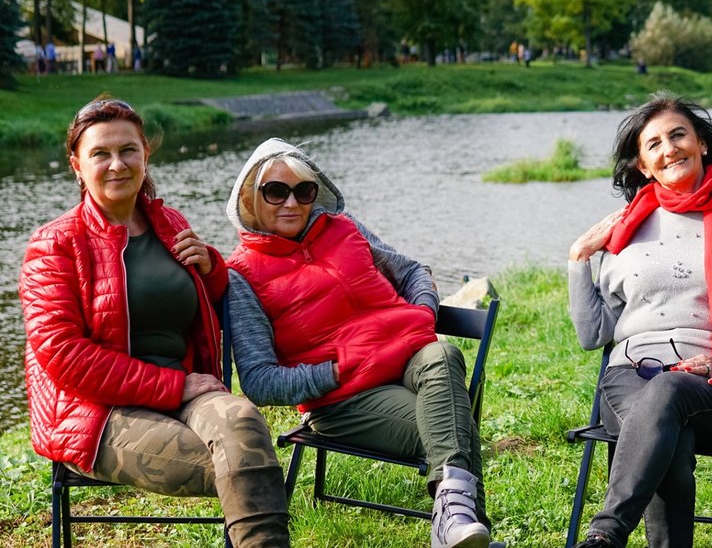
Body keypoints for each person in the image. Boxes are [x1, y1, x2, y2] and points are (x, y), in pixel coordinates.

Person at [19, 97, 289, 547]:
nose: (117, 164)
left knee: (244, 428)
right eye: (100, 154)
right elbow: (64, 356)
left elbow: (204, 304)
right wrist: (174, 386)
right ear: (76, 165)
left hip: (186, 391)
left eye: (128, 150)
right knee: (249, 470)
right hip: (97, 414)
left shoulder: (168, 222)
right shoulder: (54, 244)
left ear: (145, 152)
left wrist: (212, 268)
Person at [224, 138, 495, 548]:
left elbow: (412, 271)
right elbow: (260, 382)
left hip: (410, 360)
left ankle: (452, 524)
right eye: (276, 191)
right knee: (454, 429)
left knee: (443, 352)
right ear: (249, 198)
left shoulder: (344, 228)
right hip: (345, 398)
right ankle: (460, 526)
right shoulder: (240, 275)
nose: (291, 203)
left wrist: (423, 312)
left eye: (304, 191)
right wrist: (334, 371)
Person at [567, 93, 712, 548]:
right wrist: (578, 261)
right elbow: (594, 335)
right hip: (629, 375)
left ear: (702, 144)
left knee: (668, 393)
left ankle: (605, 534)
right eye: (653, 144)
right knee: (667, 434)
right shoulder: (625, 229)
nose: (668, 148)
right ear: (643, 166)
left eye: (678, 135)